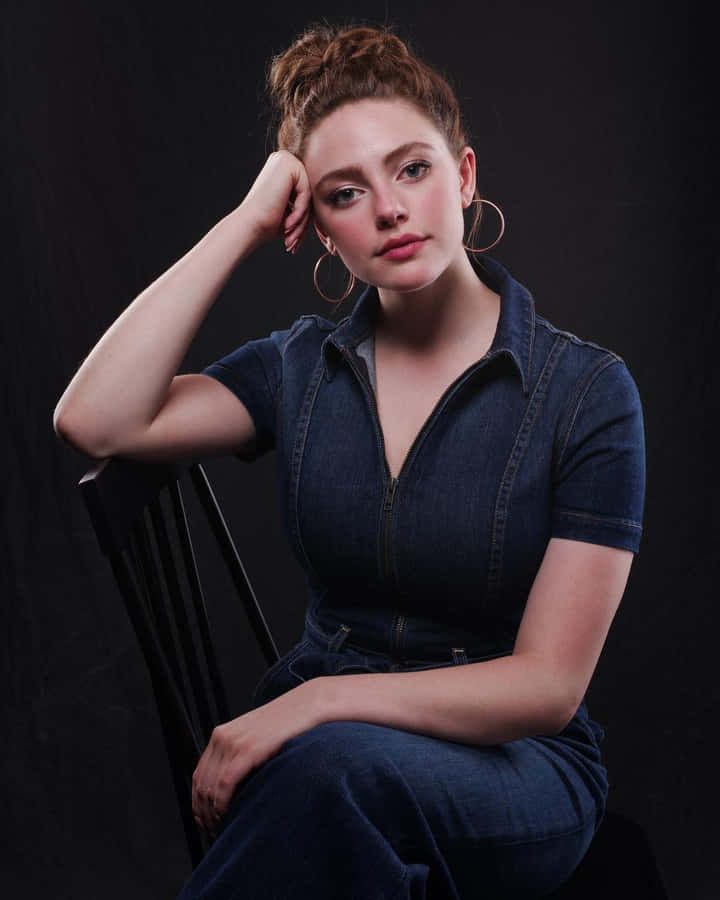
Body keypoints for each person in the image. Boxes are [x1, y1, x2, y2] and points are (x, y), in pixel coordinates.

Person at [53, 20, 646, 900]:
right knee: (330, 810)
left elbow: (547, 688)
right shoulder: (297, 370)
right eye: (343, 192)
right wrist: (245, 222)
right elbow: (92, 421)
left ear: (466, 176)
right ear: (321, 230)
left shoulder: (587, 393)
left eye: (412, 168)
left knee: (326, 780)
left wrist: (320, 702)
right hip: (318, 767)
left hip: (513, 767)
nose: (390, 209)